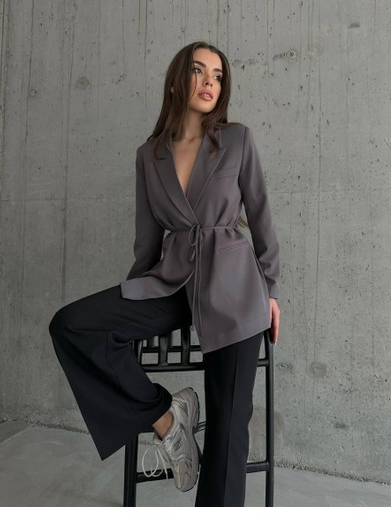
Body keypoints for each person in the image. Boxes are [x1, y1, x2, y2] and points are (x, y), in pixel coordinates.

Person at [49, 40, 281, 507]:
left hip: (235, 289)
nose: (209, 82)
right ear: (177, 81)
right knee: (71, 325)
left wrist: (271, 290)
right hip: (173, 282)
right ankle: (167, 418)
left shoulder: (236, 139)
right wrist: (134, 293)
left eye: (218, 75)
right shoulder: (149, 154)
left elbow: (260, 216)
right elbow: (147, 238)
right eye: (198, 71)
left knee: (228, 427)